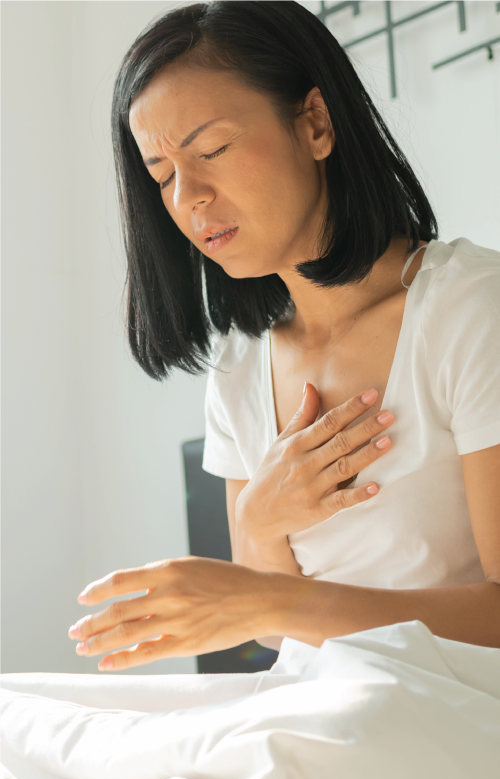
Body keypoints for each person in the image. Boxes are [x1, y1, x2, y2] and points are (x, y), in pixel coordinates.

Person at [62, 0, 500, 671]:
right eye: (163, 175)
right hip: (319, 704)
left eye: (212, 150)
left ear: (315, 123)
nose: (188, 197)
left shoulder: (471, 307)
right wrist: (259, 523)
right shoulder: (238, 366)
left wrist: (276, 600)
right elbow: (270, 634)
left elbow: (272, 612)